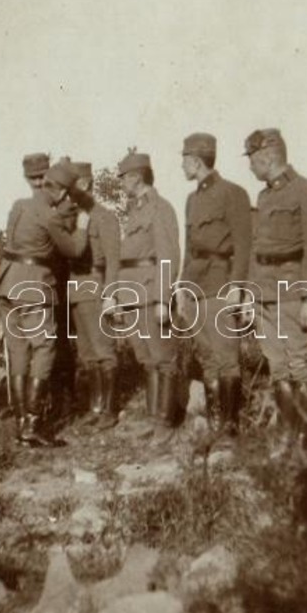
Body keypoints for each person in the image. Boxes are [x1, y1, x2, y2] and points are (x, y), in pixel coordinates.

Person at [244, 128, 307, 451]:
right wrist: (252, 294)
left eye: (252, 160)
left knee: (301, 363)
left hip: (294, 292)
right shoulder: (264, 197)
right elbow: (257, 249)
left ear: (266, 157)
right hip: (266, 292)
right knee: (277, 365)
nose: (250, 167)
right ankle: (286, 435)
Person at [0, 161, 90, 446]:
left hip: (7, 283)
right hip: (33, 285)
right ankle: (33, 424)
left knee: (19, 350)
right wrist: (82, 226)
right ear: (62, 191)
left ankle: (20, 420)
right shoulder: (49, 216)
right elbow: (73, 249)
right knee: (45, 347)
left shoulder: (20, 205)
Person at [180, 132, 252, 443]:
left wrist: (236, 287)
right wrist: (182, 288)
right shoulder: (192, 199)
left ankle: (230, 425)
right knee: (207, 356)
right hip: (195, 285)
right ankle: (213, 421)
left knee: (226, 356)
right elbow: (188, 248)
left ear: (196, 161)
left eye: (184, 159)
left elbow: (243, 244)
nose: (181, 166)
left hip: (219, 282)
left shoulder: (232, 193)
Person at [116, 151, 180, 441]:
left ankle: (165, 423)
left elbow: (168, 255)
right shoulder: (135, 210)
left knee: (162, 356)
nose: (121, 185)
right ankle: (153, 418)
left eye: (124, 179)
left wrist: (164, 299)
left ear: (137, 177)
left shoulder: (160, 208)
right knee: (145, 358)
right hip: (132, 293)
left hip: (151, 292)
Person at [66, 161, 121, 430]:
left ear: (85, 184)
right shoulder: (73, 217)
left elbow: (113, 260)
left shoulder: (104, 217)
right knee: (87, 353)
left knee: (103, 350)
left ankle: (109, 409)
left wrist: (110, 294)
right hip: (75, 288)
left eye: (71, 185)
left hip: (96, 284)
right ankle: (95, 406)